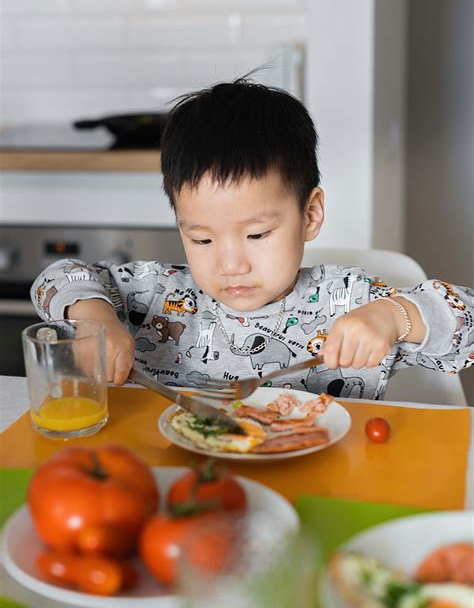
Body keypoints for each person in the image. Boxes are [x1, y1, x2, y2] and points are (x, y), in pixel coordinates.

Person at [31, 79, 473, 399]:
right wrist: (95, 319)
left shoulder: (348, 301)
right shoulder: (156, 296)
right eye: (202, 239)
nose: (230, 264)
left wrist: (394, 317)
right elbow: (60, 276)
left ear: (311, 214)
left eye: (257, 234)